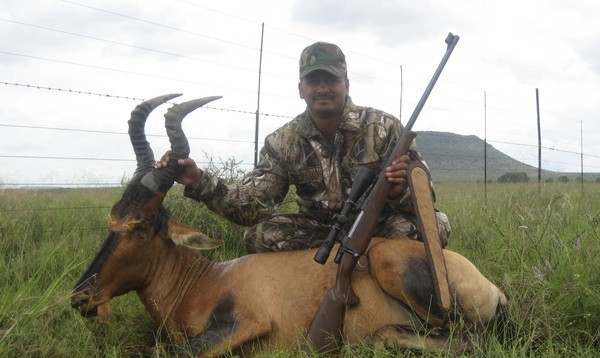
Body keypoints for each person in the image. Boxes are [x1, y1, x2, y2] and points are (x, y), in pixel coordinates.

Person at [158, 41, 451, 254]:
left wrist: (402, 191)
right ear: (301, 89)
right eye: (313, 81)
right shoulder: (282, 141)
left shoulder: (385, 127)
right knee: (258, 235)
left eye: (331, 80)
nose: (322, 88)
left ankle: (371, 262)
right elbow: (251, 207)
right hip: (320, 232)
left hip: (379, 226)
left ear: (346, 84)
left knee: (434, 226)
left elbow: (427, 198)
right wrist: (199, 181)